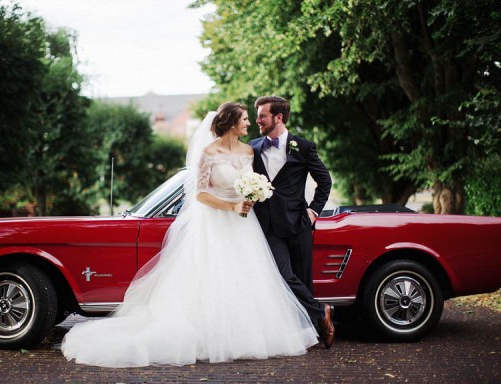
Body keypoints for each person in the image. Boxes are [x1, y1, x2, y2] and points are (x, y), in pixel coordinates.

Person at [61, 102, 319, 368]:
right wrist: (231, 204)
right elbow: (200, 193)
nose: (249, 123)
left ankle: (244, 334)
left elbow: (257, 183)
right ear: (231, 122)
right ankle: (212, 334)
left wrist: (254, 195)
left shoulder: (248, 150)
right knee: (212, 277)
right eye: (244, 118)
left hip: (244, 224)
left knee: (246, 277)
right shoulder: (208, 152)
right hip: (216, 221)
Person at [249, 96, 335, 349]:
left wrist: (313, 211)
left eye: (262, 115)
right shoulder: (252, 147)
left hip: (298, 224)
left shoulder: (304, 146)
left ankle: (309, 334)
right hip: (269, 227)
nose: (257, 120)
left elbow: (325, 181)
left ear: (278, 117)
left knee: (303, 279)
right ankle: (322, 312)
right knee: (285, 276)